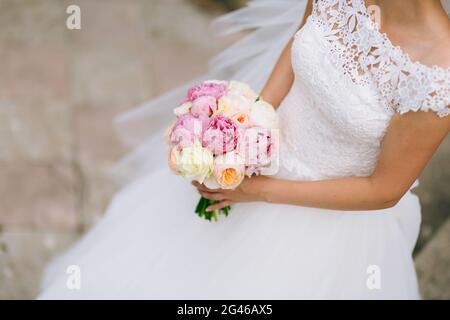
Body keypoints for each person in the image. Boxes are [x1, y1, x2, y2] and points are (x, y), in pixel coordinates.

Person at [39, 0, 449, 299]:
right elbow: (302, 40)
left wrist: (257, 191)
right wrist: (248, 121)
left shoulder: (438, 75)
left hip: (328, 224)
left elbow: (383, 189)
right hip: (255, 161)